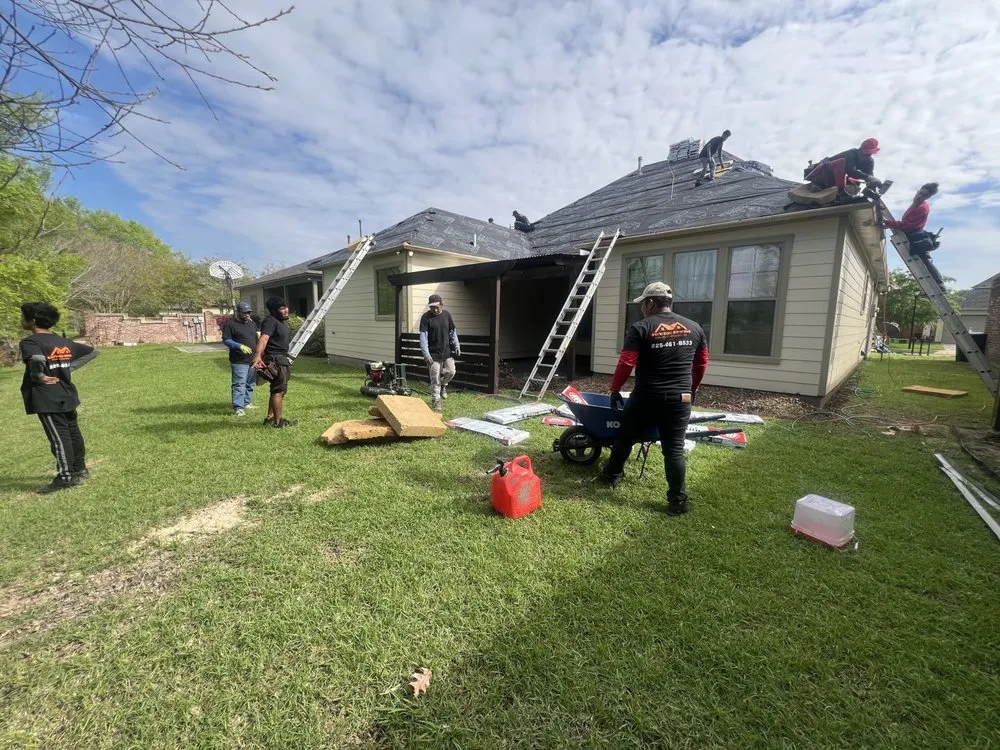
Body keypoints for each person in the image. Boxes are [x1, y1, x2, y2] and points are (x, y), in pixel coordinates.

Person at [599, 282, 709, 516]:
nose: (642, 309)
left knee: (625, 437)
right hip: (681, 398)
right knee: (674, 450)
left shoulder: (641, 327)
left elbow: (627, 361)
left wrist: (614, 388)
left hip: (647, 397)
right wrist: (693, 387)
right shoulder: (694, 327)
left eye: (643, 304)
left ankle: (612, 475)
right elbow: (701, 362)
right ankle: (677, 501)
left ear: (650, 303)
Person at [18, 302, 99, 494]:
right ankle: (80, 469)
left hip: (48, 397)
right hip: (66, 393)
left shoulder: (31, 342)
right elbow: (92, 351)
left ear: (33, 320)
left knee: (59, 438)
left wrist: (39, 376)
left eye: (23, 317)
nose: (21, 320)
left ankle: (65, 477)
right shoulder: (62, 341)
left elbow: (37, 359)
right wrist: (66, 368)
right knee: (72, 433)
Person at [880, 182, 944, 287]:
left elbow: (907, 225)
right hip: (913, 233)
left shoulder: (921, 208)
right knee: (924, 260)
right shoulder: (916, 203)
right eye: (920, 192)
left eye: (923, 195)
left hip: (915, 236)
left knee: (924, 261)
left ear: (928, 197)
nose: (919, 196)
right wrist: (889, 225)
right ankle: (937, 283)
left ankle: (939, 284)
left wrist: (888, 223)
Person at [251, 297, 297, 428]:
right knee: (278, 390)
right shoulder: (270, 321)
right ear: (273, 310)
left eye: (285, 307)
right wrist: (258, 355)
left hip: (282, 358)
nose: (286, 310)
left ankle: (270, 418)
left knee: (279, 391)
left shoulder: (280, 321)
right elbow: (264, 338)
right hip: (275, 360)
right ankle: (278, 423)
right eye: (282, 308)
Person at [419, 294, 461, 412]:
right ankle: (436, 402)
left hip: (447, 352)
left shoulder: (447, 315)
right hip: (433, 355)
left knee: (451, 371)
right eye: (432, 308)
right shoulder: (426, 318)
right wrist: (426, 354)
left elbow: (453, 332)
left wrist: (457, 345)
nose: (435, 310)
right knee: (435, 378)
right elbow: (423, 337)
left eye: (437, 307)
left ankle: (444, 385)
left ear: (441, 305)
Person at [805, 138, 881, 197]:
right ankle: (841, 193)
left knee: (857, 182)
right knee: (841, 162)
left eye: (869, 154)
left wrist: (873, 185)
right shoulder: (851, 154)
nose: (866, 156)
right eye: (865, 153)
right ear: (860, 150)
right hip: (821, 175)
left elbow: (869, 176)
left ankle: (843, 191)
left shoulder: (869, 161)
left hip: (834, 181)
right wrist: (868, 177)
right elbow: (850, 171)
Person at [221, 301, 260, 416]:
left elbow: (256, 339)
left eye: (249, 312)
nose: (247, 315)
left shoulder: (252, 324)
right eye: (244, 313)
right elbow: (226, 340)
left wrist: (259, 354)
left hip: (252, 359)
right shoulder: (230, 324)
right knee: (239, 384)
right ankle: (238, 407)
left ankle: (247, 402)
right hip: (239, 360)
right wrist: (239, 346)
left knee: (250, 383)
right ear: (238, 312)